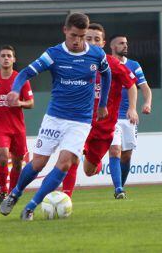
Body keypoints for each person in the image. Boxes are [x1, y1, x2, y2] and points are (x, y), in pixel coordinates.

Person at [0, 12, 111, 221]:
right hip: (55, 117)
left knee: (65, 163)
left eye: (82, 36)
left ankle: (31, 207)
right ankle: (15, 193)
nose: (78, 41)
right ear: (65, 30)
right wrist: (15, 89)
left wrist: (103, 103)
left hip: (81, 120)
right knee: (38, 163)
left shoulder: (96, 54)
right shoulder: (53, 54)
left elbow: (107, 74)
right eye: (74, 35)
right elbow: (25, 73)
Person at [60, 23, 138, 199]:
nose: (93, 42)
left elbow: (132, 85)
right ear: (82, 40)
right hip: (81, 122)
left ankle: (97, 164)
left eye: (97, 39)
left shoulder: (113, 64)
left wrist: (132, 108)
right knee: (72, 157)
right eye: (89, 39)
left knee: (89, 170)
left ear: (103, 43)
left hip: (104, 127)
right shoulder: (76, 62)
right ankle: (66, 198)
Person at [0, 45, 34, 205]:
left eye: (9, 56)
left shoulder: (21, 79)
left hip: (17, 128)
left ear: (14, 59)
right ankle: (3, 191)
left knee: (17, 163)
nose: (6, 58)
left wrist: (19, 103)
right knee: (3, 157)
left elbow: (31, 103)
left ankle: (12, 193)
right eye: (3, 55)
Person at [107, 34, 152, 197]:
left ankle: (120, 186)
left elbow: (145, 88)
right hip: (110, 117)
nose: (125, 45)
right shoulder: (105, 64)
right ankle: (118, 189)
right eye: (121, 43)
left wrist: (147, 103)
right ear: (112, 46)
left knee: (126, 156)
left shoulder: (134, 65)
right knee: (115, 150)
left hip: (129, 118)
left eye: (126, 43)